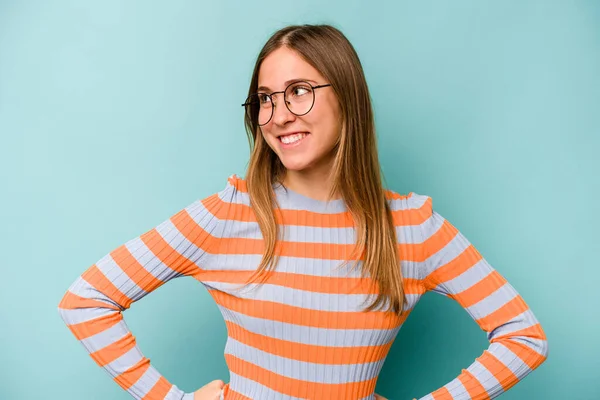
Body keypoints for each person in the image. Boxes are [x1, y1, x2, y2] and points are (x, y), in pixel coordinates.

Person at [57, 24, 548, 400]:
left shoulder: (413, 228)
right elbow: (86, 301)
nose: (279, 114)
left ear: (347, 95)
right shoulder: (229, 215)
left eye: (299, 91)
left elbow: (523, 337)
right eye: (266, 99)